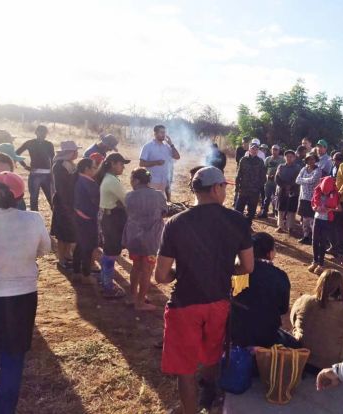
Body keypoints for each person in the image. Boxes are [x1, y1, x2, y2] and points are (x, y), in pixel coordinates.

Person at [155, 166, 254, 413]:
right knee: (212, 356)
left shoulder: (176, 223)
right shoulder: (238, 220)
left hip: (185, 304)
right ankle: (210, 399)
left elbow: (161, 275)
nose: (225, 192)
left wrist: (182, 271)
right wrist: (222, 268)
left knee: (185, 370)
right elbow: (247, 266)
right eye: (224, 187)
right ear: (215, 188)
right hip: (219, 301)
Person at [0, 172, 51, 413]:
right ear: (20, 195)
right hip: (21, 296)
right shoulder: (34, 219)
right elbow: (45, 250)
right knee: (12, 358)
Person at [231, 232, 296, 348]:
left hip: (236, 333)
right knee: (293, 343)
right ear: (269, 253)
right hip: (266, 336)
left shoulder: (238, 271)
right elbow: (283, 308)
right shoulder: (279, 276)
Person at [291, 270, 343, 371]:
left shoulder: (304, 300)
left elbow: (293, 320)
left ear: (320, 283)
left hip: (303, 359)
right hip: (332, 366)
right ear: (341, 287)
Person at [123, 168, 168, 311]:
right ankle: (140, 302)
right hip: (151, 240)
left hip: (134, 238)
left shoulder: (129, 196)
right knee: (147, 269)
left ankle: (132, 296)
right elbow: (164, 212)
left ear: (136, 180)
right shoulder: (159, 195)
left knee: (136, 266)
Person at [97, 153, 130, 299]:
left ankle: (105, 281)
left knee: (109, 251)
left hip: (109, 216)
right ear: (112, 164)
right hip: (113, 218)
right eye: (121, 164)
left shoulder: (109, 178)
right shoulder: (111, 180)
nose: (123, 167)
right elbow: (126, 200)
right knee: (111, 252)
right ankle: (107, 286)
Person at [50, 141, 80, 270]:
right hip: (64, 204)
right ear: (70, 152)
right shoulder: (59, 166)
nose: (77, 153)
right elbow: (62, 187)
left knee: (69, 233)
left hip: (70, 203)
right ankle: (61, 259)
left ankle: (67, 255)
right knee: (62, 234)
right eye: (75, 151)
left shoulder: (69, 164)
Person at [72, 158, 100, 285]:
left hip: (79, 216)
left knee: (80, 245)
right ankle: (86, 274)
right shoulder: (88, 182)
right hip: (87, 218)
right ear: (87, 169)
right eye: (94, 167)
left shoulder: (79, 179)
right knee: (88, 247)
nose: (95, 169)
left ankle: (77, 271)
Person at [15, 125, 55, 211]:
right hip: (40, 174)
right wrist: (25, 166)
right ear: (36, 132)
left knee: (47, 200)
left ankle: (55, 220)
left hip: (41, 174)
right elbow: (16, 154)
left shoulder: (34, 143)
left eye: (44, 132)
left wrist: (24, 166)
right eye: (41, 132)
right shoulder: (45, 144)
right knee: (40, 200)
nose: (42, 134)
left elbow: (53, 160)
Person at [139, 125, 181, 202]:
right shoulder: (148, 146)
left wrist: (171, 145)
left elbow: (177, 157)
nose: (163, 134)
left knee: (161, 204)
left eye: (164, 132)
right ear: (155, 134)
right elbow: (141, 163)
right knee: (151, 202)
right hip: (152, 181)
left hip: (164, 181)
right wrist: (156, 162)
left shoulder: (167, 147)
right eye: (161, 132)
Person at [309, 176, 340, 274]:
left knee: (322, 241)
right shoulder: (317, 191)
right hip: (317, 218)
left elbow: (339, 208)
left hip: (327, 220)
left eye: (327, 192)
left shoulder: (335, 194)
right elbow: (313, 203)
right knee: (315, 240)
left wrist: (330, 209)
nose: (325, 193)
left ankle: (321, 264)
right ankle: (314, 261)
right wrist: (314, 207)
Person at [234, 143, 266, 227]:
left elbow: (263, 176)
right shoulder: (243, 160)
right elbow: (238, 174)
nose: (254, 150)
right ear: (249, 150)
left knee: (251, 211)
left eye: (256, 149)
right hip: (243, 189)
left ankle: (247, 226)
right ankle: (237, 226)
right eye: (253, 149)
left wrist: (259, 187)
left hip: (254, 190)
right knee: (238, 209)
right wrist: (237, 188)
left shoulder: (260, 161)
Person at [296, 153, 322, 245]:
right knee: (305, 218)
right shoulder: (304, 169)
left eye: (313, 159)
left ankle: (314, 238)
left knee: (312, 219)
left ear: (315, 160)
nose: (311, 161)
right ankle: (306, 236)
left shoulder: (318, 170)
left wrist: (303, 180)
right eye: (309, 159)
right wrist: (306, 180)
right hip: (303, 197)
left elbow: (313, 180)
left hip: (313, 198)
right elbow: (297, 180)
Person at [275, 150, 300, 234]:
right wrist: (284, 186)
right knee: (280, 208)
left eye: (291, 156)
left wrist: (290, 186)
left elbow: (297, 179)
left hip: (293, 191)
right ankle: (280, 226)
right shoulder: (281, 167)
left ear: (294, 158)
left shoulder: (297, 167)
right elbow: (277, 178)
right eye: (287, 156)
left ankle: (290, 227)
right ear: (285, 157)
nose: (289, 158)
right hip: (282, 190)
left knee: (291, 210)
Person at [258, 145, 284, 219]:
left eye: (276, 150)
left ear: (279, 151)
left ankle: (276, 212)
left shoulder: (282, 160)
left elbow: (284, 169)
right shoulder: (267, 159)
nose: (274, 151)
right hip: (268, 181)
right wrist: (267, 176)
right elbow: (263, 170)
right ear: (271, 150)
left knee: (277, 197)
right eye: (273, 149)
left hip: (277, 182)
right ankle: (264, 212)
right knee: (267, 197)